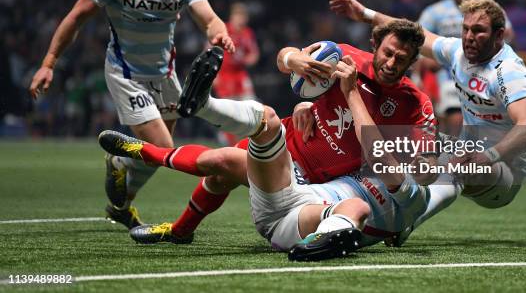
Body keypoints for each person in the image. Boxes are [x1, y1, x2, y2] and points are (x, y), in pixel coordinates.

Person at [97, 19, 438, 246]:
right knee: (221, 171)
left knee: (226, 160)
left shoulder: (414, 105)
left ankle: (149, 153)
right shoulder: (344, 56)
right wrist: (295, 62)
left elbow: (422, 169)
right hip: (290, 142)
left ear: (412, 64)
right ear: (375, 44)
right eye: (388, 53)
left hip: (314, 182)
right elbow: (284, 55)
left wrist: (415, 175)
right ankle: (180, 229)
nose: (391, 63)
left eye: (402, 59)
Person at [28, 0, 235, 229]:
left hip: (165, 75)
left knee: (154, 156)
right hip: (126, 73)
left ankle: (121, 203)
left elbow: (207, 18)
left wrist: (219, 33)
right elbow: (77, 17)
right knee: (165, 149)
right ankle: (122, 162)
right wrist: (49, 63)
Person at [329, 0, 526, 246]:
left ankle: (405, 222)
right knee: (404, 144)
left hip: (504, 173)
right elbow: (416, 33)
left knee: (457, 164)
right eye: (465, 29)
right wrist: (364, 14)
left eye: (478, 31)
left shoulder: (508, 71)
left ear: (499, 35)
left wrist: (488, 156)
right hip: (467, 150)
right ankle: (343, 201)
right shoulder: (459, 52)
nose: (469, 37)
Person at [417, 0, 514, 136]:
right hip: (447, 75)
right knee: (450, 119)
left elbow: (508, 34)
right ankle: (453, 155)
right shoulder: (435, 12)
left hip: (484, 74)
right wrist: (426, 62)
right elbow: (417, 38)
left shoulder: (490, 8)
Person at [213, 2, 260, 145]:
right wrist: (214, 74)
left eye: (243, 16)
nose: (241, 19)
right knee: (228, 111)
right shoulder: (224, 29)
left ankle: (251, 141)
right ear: (232, 16)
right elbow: (211, 50)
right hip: (225, 75)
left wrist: (249, 59)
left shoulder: (247, 32)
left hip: (240, 75)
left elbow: (254, 53)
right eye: (238, 16)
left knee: (252, 106)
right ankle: (229, 141)